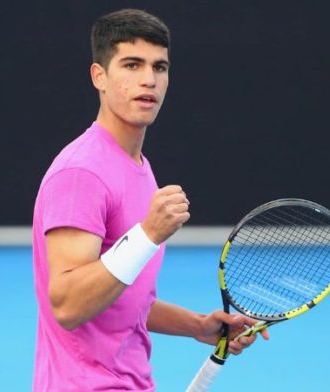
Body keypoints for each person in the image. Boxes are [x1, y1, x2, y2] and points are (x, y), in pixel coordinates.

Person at [32, 9, 268, 391]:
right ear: (99, 77)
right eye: (131, 64)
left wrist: (197, 326)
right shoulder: (81, 173)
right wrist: (147, 234)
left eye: (160, 67)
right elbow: (69, 305)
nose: (148, 79)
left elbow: (121, 299)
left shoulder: (137, 167)